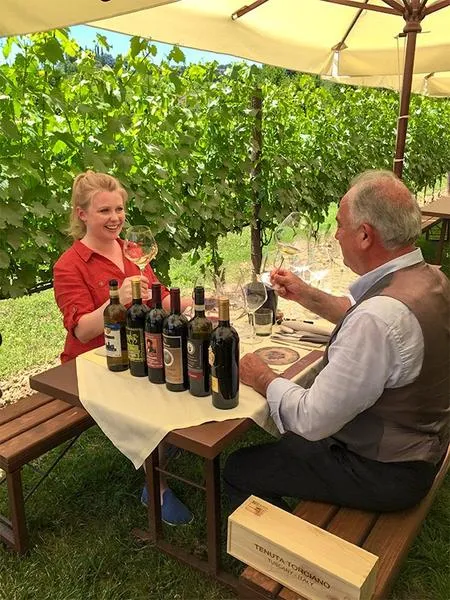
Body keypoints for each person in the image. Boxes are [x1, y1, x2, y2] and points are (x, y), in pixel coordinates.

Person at [224, 170, 450, 514]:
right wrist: (307, 295)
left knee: (240, 467)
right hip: (424, 443)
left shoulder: (377, 320)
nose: (335, 235)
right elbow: (365, 315)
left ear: (364, 235)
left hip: (386, 472)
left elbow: (311, 420)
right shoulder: (431, 278)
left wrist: (263, 378)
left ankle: (289, 559)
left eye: (340, 225)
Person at [54, 170, 193, 525]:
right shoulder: (69, 266)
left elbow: (154, 296)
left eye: (119, 209)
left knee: (186, 378)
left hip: (140, 348)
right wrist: (118, 300)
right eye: (104, 211)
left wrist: (184, 301)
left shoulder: (131, 251)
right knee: (161, 399)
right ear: (82, 214)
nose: (115, 218)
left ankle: (164, 453)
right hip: (95, 364)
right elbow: (83, 330)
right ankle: (155, 485)